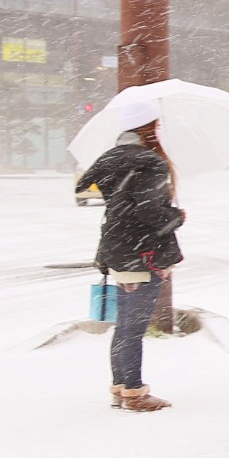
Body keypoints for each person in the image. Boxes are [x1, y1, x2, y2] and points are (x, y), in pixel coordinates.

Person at [74, 99, 187, 414]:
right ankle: (135, 393)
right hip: (144, 253)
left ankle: (121, 387)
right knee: (133, 326)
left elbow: (84, 187)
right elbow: (149, 211)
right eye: (156, 124)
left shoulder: (110, 158)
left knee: (125, 325)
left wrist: (120, 199)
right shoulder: (150, 162)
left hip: (117, 249)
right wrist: (176, 216)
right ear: (148, 127)